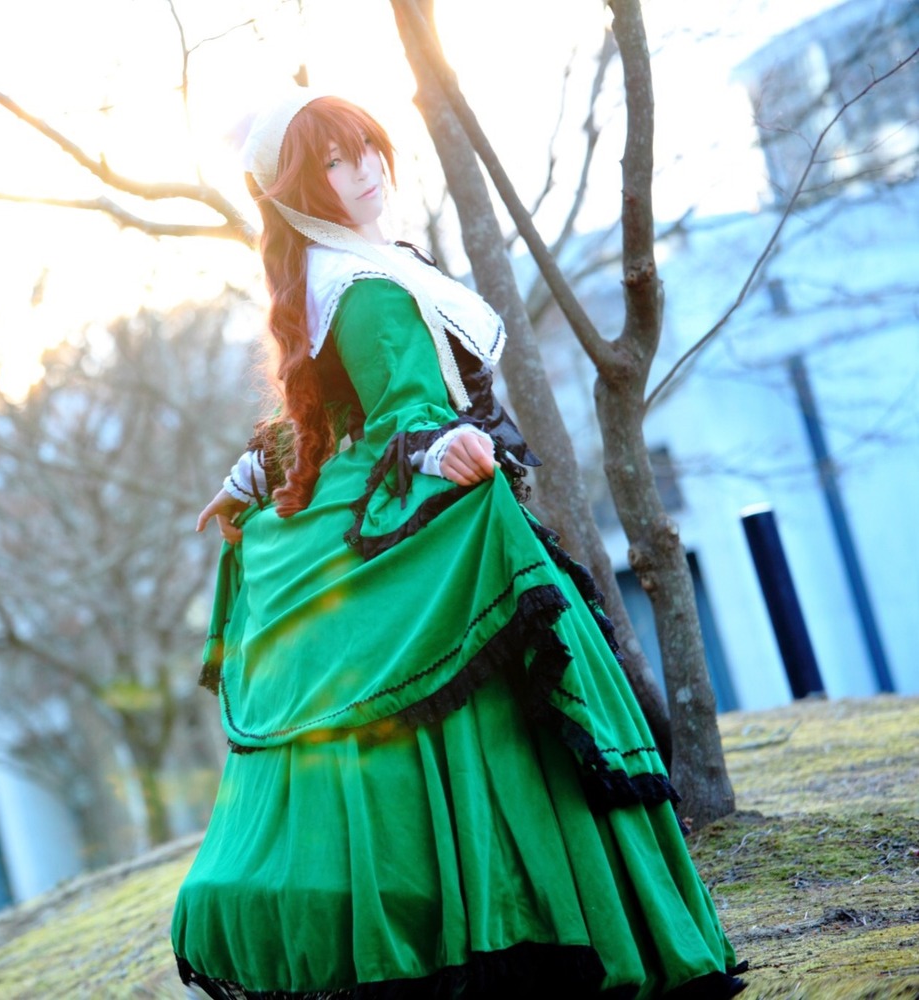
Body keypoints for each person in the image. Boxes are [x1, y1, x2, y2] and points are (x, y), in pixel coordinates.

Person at [170, 93, 745, 999]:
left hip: (444, 500)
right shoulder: (361, 286)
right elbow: (396, 407)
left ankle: (514, 933)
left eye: (370, 150)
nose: (365, 171)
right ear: (294, 188)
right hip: (447, 511)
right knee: (497, 730)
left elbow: (327, 416)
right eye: (335, 161)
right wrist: (436, 445)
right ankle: (550, 937)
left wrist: (253, 477)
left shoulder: (343, 268)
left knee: (490, 729)